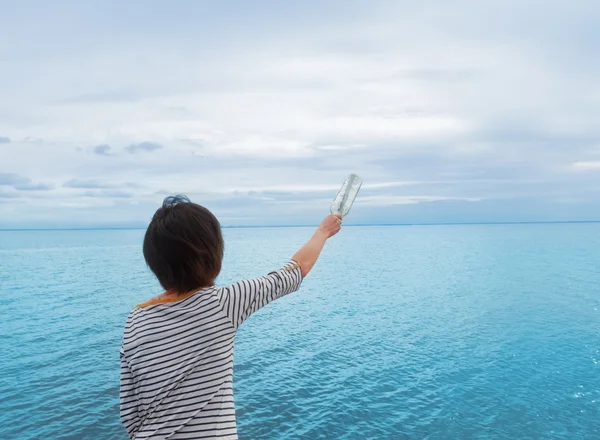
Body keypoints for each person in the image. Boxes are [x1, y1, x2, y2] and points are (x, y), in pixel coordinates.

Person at [120, 195, 342, 439]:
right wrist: (323, 231)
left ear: (154, 264)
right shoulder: (222, 304)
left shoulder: (136, 319)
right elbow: (294, 271)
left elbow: (129, 413)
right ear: (214, 258)